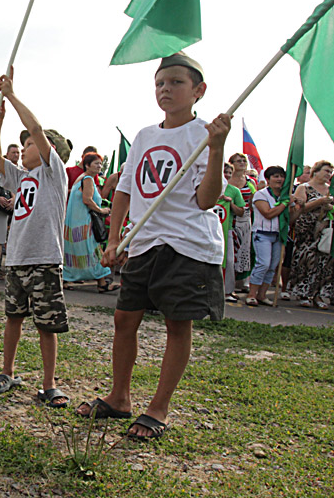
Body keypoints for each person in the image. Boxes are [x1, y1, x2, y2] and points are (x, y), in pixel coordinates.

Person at [77, 53, 230, 441]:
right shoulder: (145, 135)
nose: (165, 89)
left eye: (176, 83)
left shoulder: (204, 135)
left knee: (177, 325)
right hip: (144, 243)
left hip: (188, 244)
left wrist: (216, 148)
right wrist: (114, 238)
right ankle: (120, 396)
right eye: (160, 83)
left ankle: (158, 408)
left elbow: (206, 200)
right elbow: (125, 188)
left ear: (199, 90)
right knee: (124, 320)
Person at [0, 74, 71, 408]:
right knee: (14, 317)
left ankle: (49, 384)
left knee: (46, 324)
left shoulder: (53, 172)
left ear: (50, 151)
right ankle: (7, 370)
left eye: (30, 144)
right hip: (17, 258)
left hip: (45, 258)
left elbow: (36, 129)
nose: (25, 146)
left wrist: (13, 96)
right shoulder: (22, 177)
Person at [62, 152, 118, 291]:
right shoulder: (87, 179)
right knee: (93, 251)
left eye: (100, 163)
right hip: (83, 225)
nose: (100, 166)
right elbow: (87, 200)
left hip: (75, 225)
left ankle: (68, 280)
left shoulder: (82, 178)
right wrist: (101, 210)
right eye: (96, 164)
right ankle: (102, 283)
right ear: (87, 165)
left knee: (77, 253)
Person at [289, 160, 334, 309]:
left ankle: (318, 295)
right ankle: (304, 293)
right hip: (307, 231)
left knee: (324, 263)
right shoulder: (304, 187)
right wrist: (320, 202)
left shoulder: (331, 190)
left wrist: (331, 207)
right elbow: (300, 209)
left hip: (324, 229)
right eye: (326, 171)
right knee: (306, 261)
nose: (328, 174)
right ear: (316, 171)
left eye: (330, 172)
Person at [244, 166, 288, 307]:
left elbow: (290, 218)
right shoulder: (260, 195)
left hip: (278, 235)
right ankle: (251, 295)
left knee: (273, 266)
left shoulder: (284, 195)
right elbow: (268, 213)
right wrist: (284, 204)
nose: (279, 179)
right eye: (275, 176)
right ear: (268, 179)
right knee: (263, 263)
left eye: (281, 176)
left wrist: (296, 207)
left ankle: (262, 295)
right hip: (262, 234)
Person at [216, 162, 245, 302]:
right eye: (223, 172)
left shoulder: (234, 191)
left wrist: (230, 202)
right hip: (208, 230)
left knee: (228, 261)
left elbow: (241, 212)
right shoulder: (207, 187)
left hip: (227, 230)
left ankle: (227, 291)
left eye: (229, 172)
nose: (226, 175)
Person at [228, 153, 257, 291]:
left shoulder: (250, 181)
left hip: (244, 218)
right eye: (238, 160)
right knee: (229, 251)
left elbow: (253, 200)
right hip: (227, 217)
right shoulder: (226, 179)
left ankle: (242, 281)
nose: (242, 163)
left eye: (244, 160)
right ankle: (228, 282)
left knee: (244, 249)